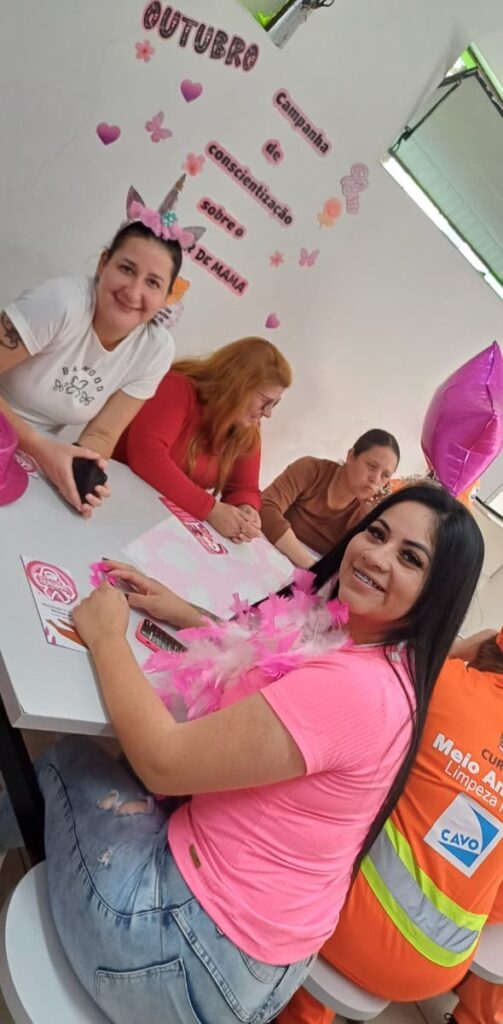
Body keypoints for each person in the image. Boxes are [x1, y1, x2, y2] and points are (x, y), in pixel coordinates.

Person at [0, 485, 483, 1024]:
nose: (376, 555)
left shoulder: (356, 690)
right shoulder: (383, 660)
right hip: (257, 972)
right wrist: (186, 613)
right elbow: (273, 662)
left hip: (176, 956)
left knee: (66, 759)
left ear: (437, 594)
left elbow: (162, 761)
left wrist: (107, 636)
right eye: (377, 532)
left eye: (410, 558)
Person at [277, 630, 503, 1024]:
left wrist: (452, 650)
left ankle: (296, 1010)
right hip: (435, 970)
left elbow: (374, 667)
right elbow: (496, 908)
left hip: (335, 925)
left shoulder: (442, 683)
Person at [0, 177, 198, 516]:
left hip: (29, 460)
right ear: (103, 263)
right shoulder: (61, 303)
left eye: (152, 283)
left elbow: (103, 434)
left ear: (168, 296)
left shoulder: (155, 351)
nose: (133, 292)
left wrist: (81, 470)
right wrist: (41, 449)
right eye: (126, 269)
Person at [114, 337, 292, 543]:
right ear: (239, 386)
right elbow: (147, 456)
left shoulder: (247, 425)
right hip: (116, 499)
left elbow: (244, 488)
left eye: (274, 404)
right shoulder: (177, 387)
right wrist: (210, 509)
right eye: (265, 401)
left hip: (157, 520)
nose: (268, 413)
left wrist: (246, 510)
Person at [260, 429, 400, 567]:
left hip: (310, 573)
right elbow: (266, 506)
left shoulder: (365, 514)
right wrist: (308, 564)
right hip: (269, 552)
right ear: (351, 456)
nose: (375, 479)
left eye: (385, 475)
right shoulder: (311, 470)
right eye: (371, 466)